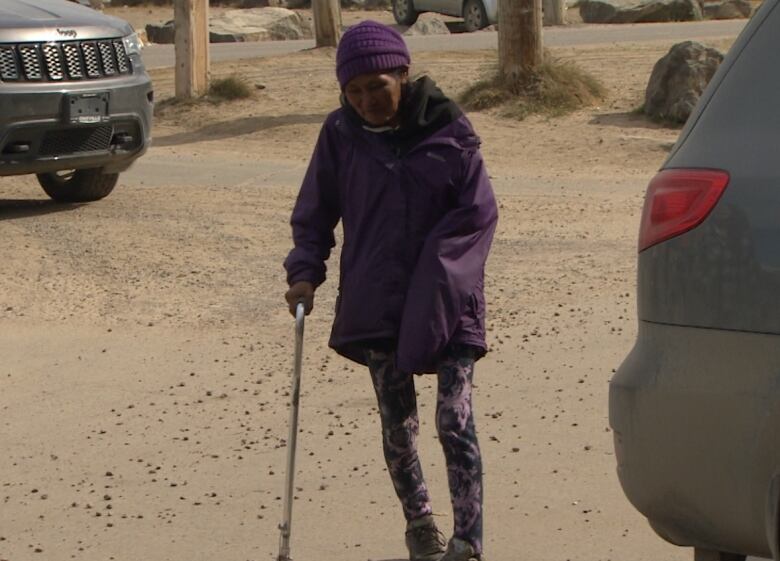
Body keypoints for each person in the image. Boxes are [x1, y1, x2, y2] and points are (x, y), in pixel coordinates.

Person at [283, 20, 498, 561]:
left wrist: (438, 278)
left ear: (403, 74)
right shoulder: (339, 134)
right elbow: (315, 212)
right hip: (377, 297)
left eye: (377, 86)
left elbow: (477, 214)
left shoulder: (448, 129)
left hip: (449, 299)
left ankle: (468, 542)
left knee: (454, 420)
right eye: (354, 92)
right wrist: (305, 270)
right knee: (397, 422)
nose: (367, 101)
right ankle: (420, 523)